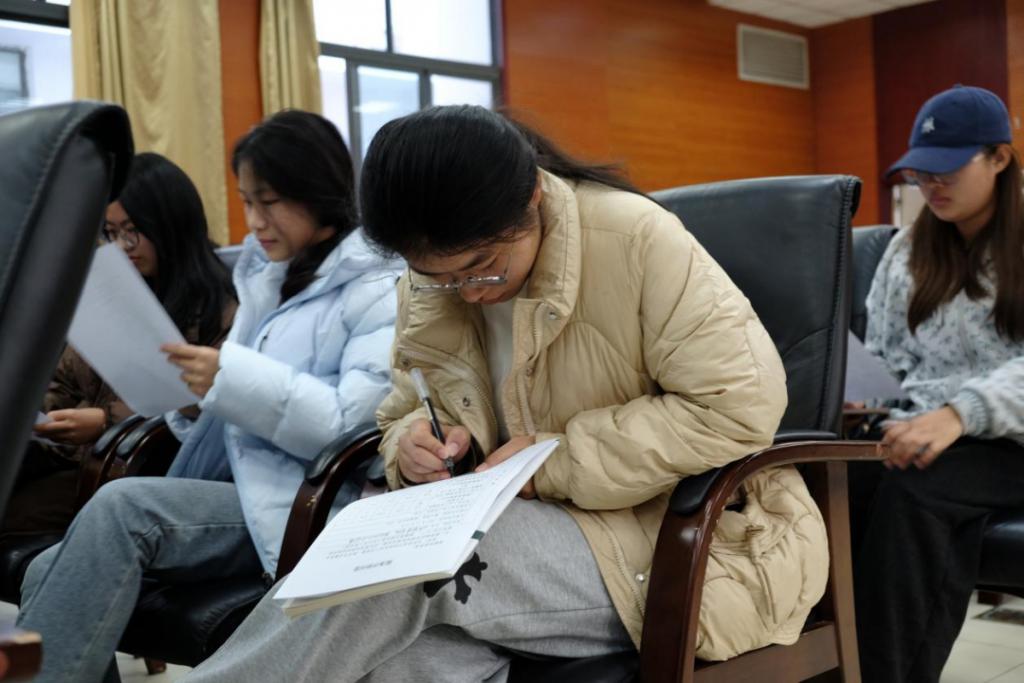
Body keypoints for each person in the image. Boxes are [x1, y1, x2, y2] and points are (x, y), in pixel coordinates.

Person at [184, 105, 828, 682]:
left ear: (534, 198)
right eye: (439, 277)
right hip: (508, 538)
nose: (468, 292)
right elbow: (403, 405)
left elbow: (737, 407)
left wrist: (553, 461)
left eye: (483, 267)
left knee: (402, 571)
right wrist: (409, 444)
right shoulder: (428, 280)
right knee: (406, 656)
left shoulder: (636, 239)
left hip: (677, 537)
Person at [16, 110, 402, 683]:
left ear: (317, 193)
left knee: (125, 507)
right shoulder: (268, 277)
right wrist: (192, 401)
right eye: (247, 202)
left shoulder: (377, 288)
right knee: (46, 568)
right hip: (242, 487)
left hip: (308, 502)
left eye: (269, 202)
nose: (254, 221)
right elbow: (234, 404)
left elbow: (351, 425)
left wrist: (228, 379)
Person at [852, 85, 1024, 683]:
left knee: (917, 485)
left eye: (947, 168)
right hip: (932, 427)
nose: (932, 184)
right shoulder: (907, 249)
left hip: (1009, 439)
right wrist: (867, 400)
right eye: (921, 172)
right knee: (839, 477)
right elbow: (887, 356)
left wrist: (959, 414)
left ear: (999, 158)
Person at [0, 152, 236, 552]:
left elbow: (199, 409)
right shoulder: (109, 289)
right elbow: (64, 378)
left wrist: (104, 421)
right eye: (111, 232)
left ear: (169, 225)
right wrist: (45, 416)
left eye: (133, 231)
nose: (122, 246)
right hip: (73, 455)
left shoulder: (218, 306)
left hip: (132, 465)